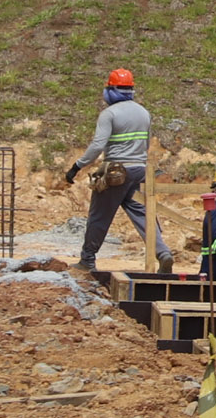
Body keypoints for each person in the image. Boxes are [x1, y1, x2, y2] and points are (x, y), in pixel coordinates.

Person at [64, 68, 153, 271]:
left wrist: (76, 166)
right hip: (139, 170)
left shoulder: (109, 114)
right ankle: (162, 252)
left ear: (111, 89)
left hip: (116, 172)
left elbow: (97, 146)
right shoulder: (144, 113)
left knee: (99, 215)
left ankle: (87, 260)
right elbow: (146, 145)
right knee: (142, 212)